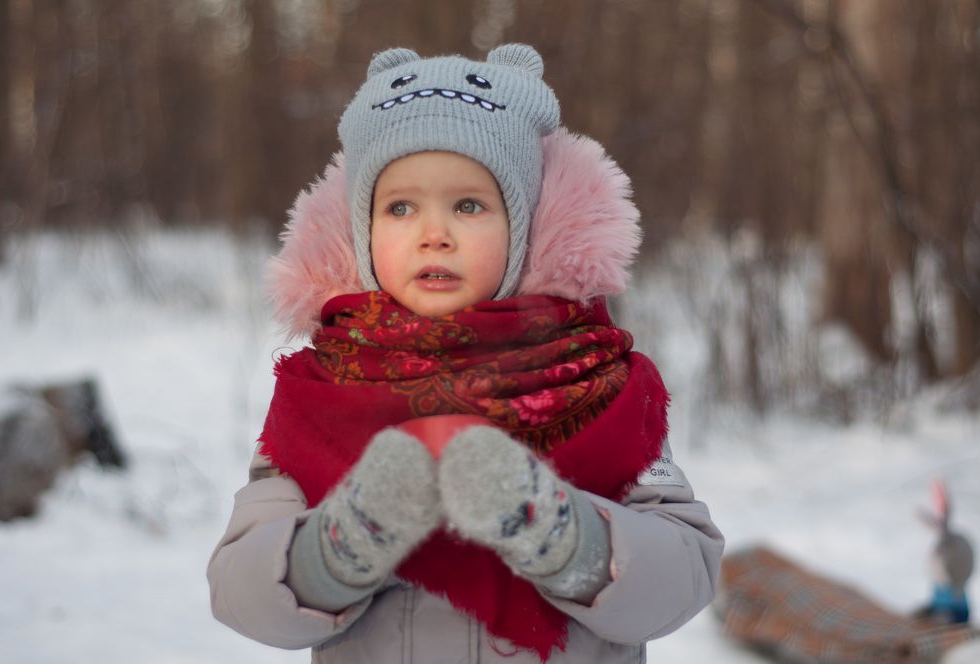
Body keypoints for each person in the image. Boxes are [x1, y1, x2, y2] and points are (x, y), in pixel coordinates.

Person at [208, 43, 724, 663]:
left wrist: (563, 537)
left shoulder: (598, 380)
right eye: (400, 207)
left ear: (525, 224)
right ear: (362, 228)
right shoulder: (324, 387)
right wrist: (343, 547)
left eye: (469, 205)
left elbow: (684, 572)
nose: (435, 233)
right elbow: (243, 586)